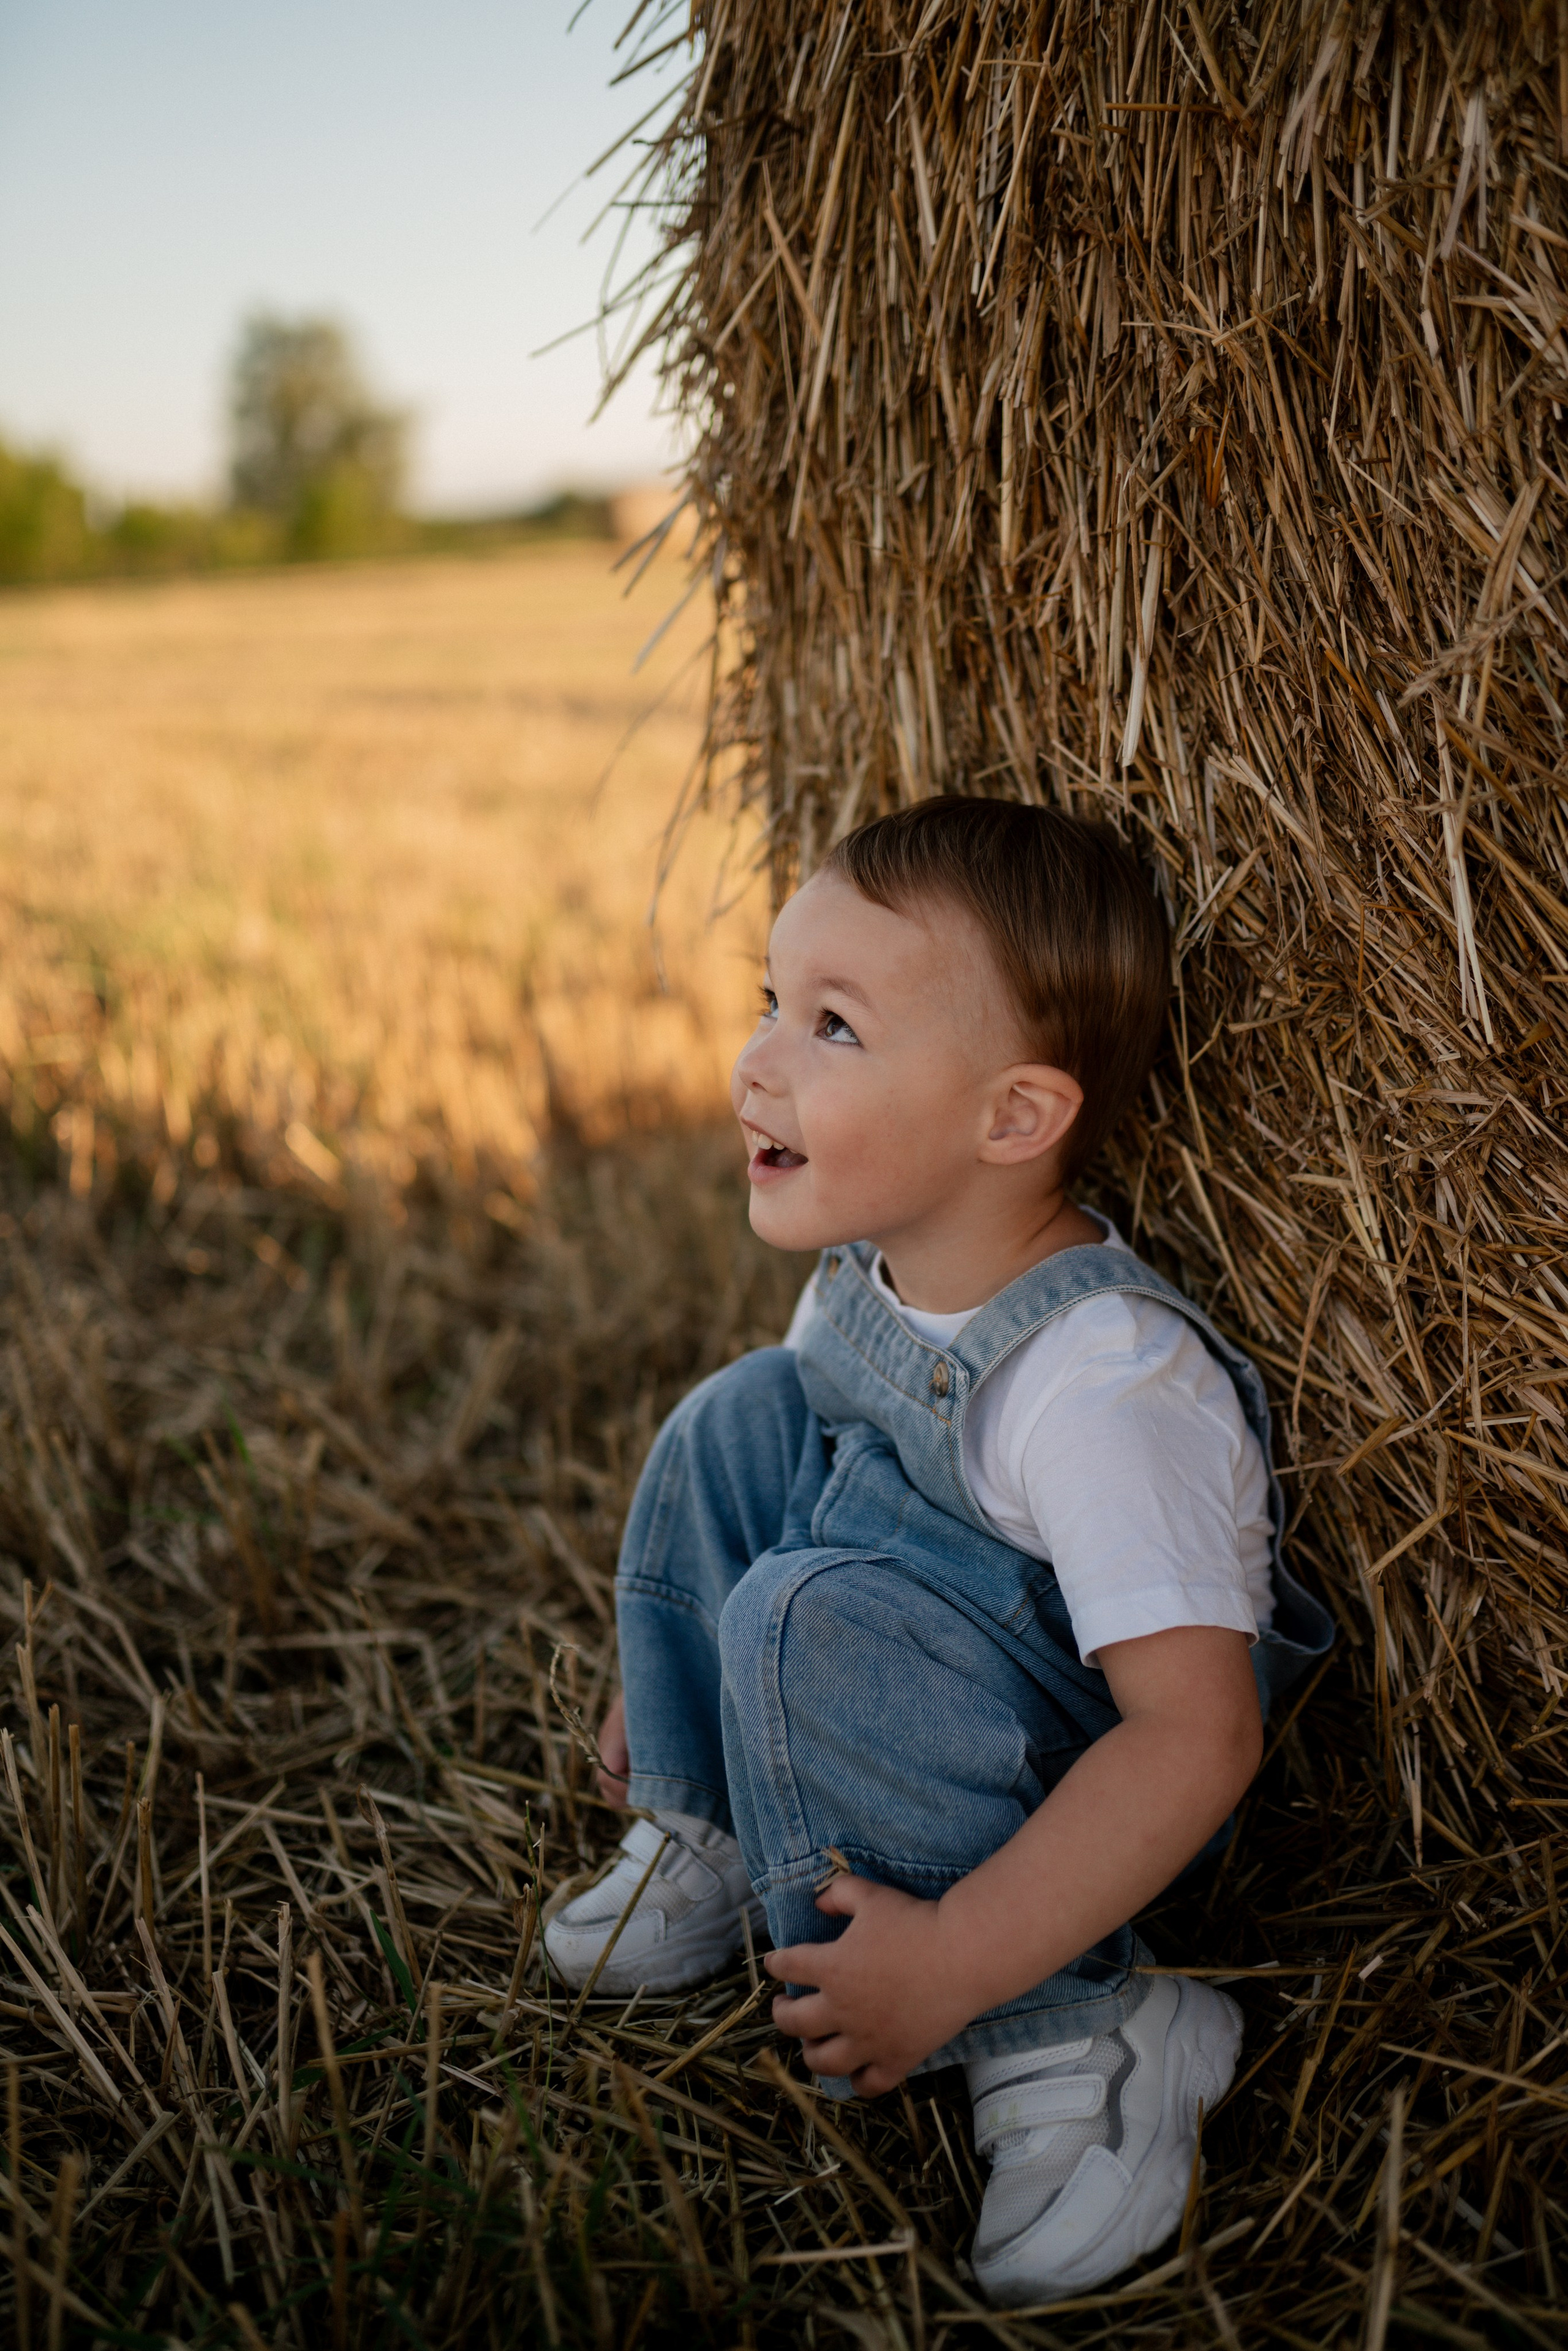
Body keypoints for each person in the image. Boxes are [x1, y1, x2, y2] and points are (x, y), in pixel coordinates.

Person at [543, 798, 1331, 2305]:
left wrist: (969, 1949)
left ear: (1012, 1118)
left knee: (804, 1609)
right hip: (882, 1649)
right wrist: (690, 1684)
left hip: (1078, 1816)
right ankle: (709, 1821)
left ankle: (1082, 2026)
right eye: (767, 1000)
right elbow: (809, 1483)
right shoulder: (872, 1279)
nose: (755, 1059)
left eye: (831, 1025)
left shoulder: (1102, 1386)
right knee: (738, 1420)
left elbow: (1194, 1736)